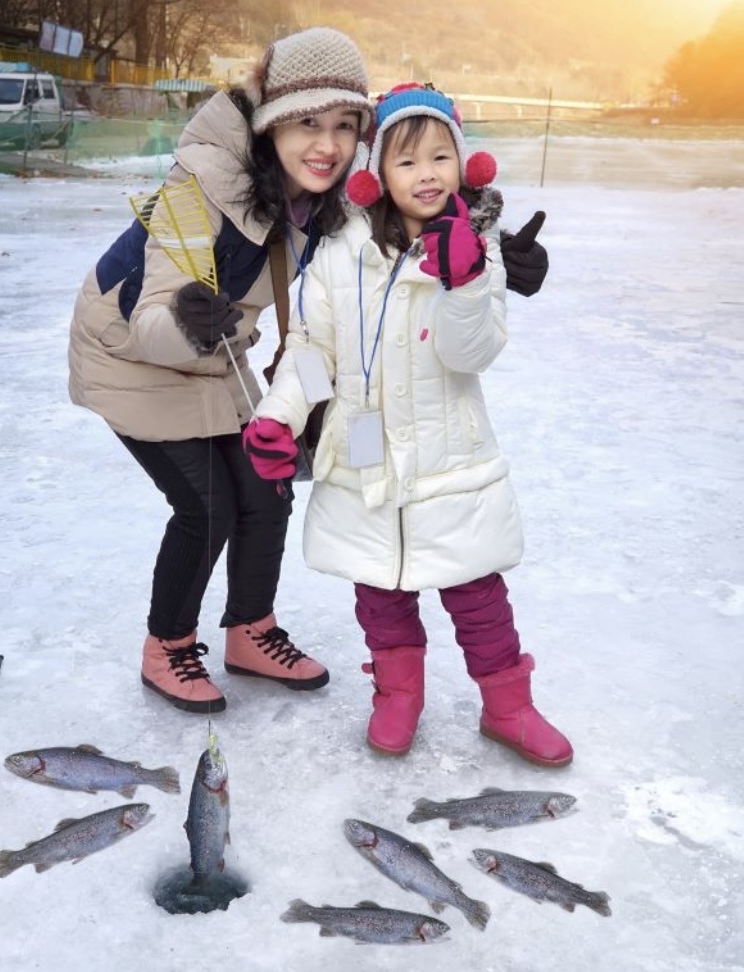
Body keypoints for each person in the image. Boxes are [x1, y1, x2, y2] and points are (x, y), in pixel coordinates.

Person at [68, 29, 552, 716]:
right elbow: (149, 321)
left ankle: (250, 631)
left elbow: (410, 205)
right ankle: (166, 647)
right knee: (206, 506)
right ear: (271, 124)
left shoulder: (325, 199)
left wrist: (497, 254)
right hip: (132, 352)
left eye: (343, 126)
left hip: (219, 354)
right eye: (306, 123)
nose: (326, 144)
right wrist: (185, 324)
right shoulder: (194, 187)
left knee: (264, 493)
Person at [241, 83, 573, 766]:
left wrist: (465, 282)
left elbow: (471, 353)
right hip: (364, 450)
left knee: (478, 595)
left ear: (464, 164)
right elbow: (311, 349)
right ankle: (398, 694)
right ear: (375, 174)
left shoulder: (477, 248)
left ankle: (509, 706)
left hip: (450, 457)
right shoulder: (337, 249)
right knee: (379, 591)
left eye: (440, 157)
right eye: (407, 161)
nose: (426, 175)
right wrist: (280, 416)